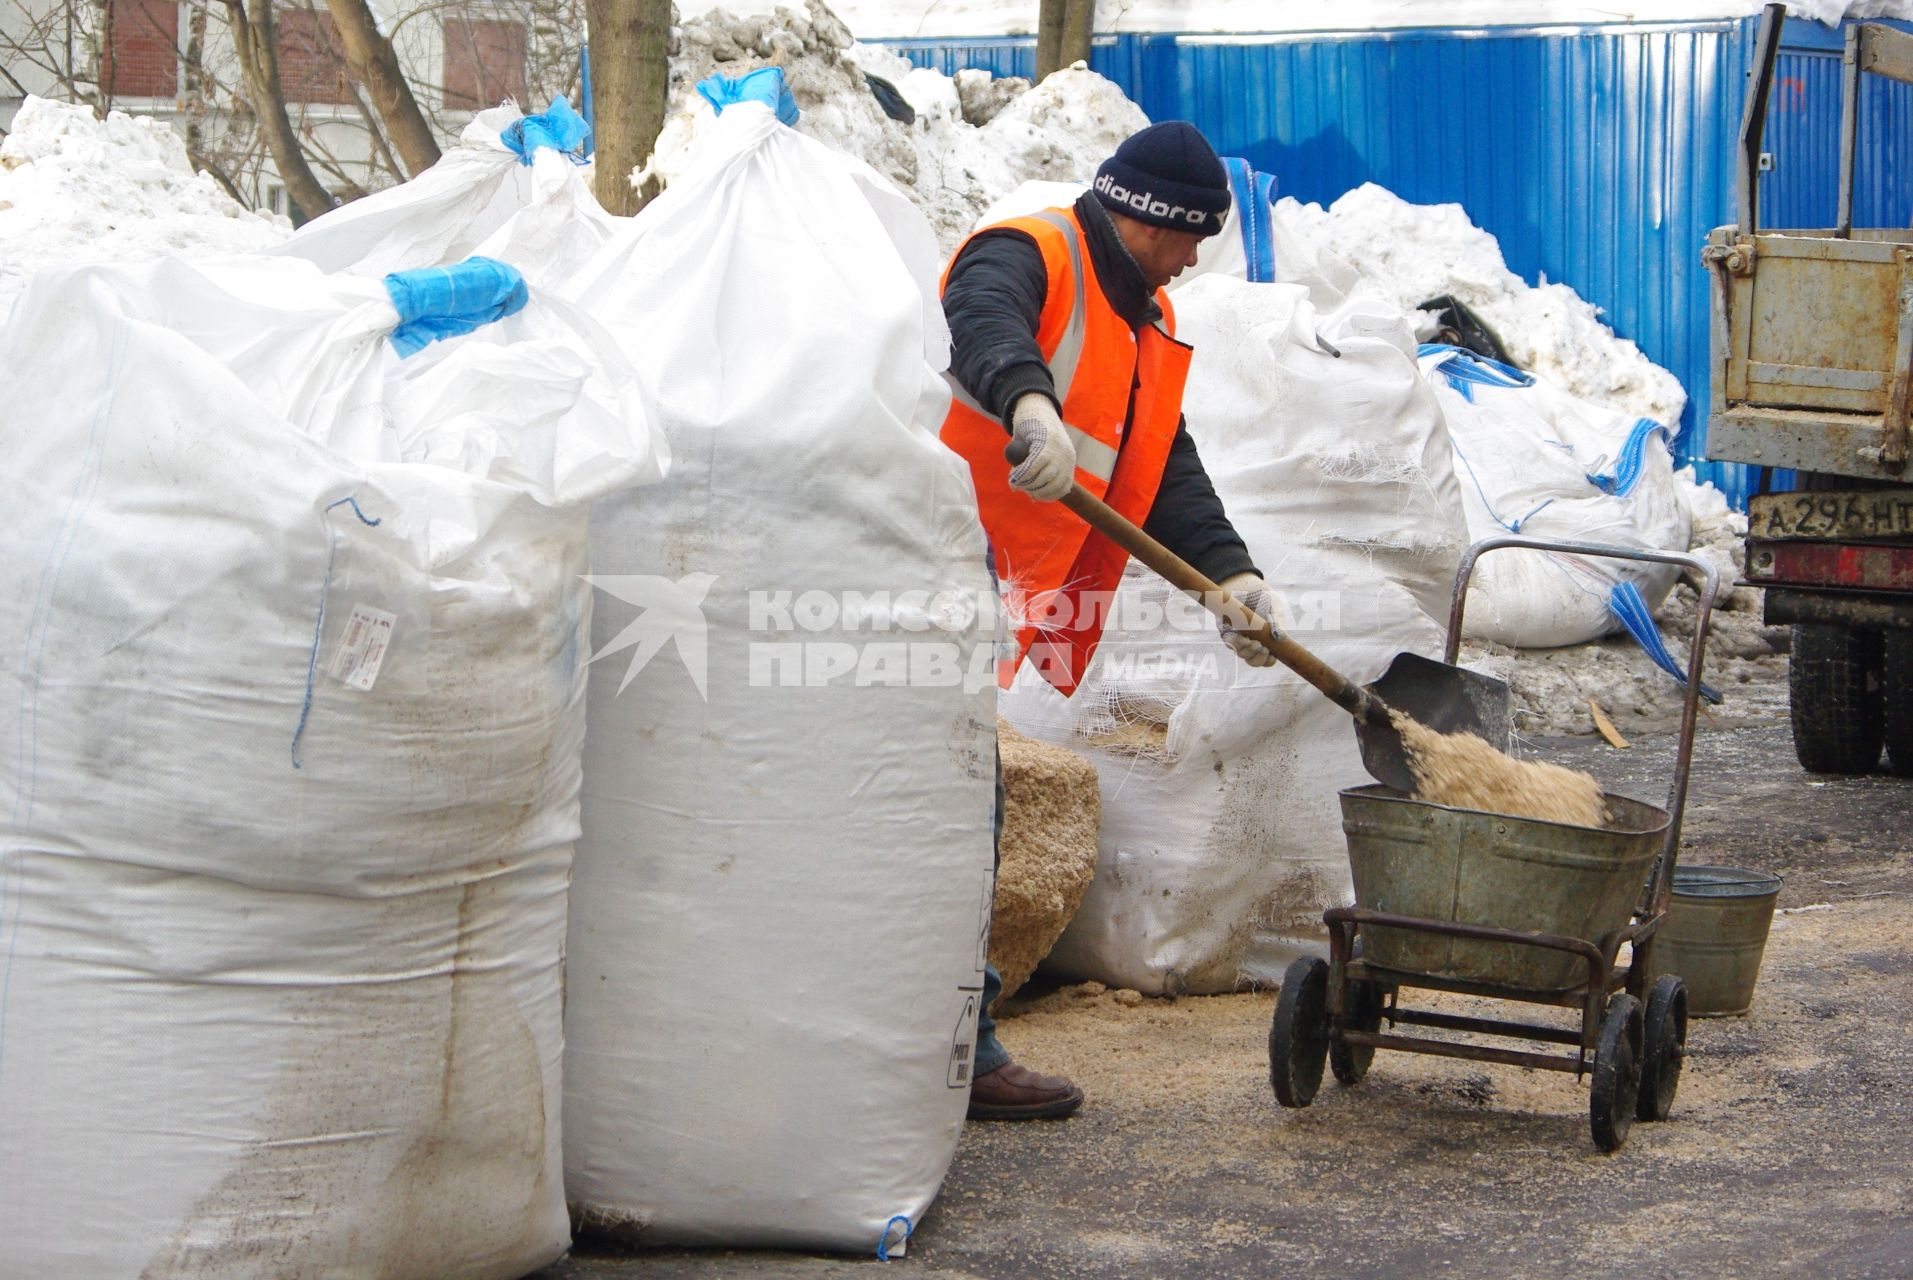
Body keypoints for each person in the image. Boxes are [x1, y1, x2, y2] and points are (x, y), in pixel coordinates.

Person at [940, 121, 1278, 1120]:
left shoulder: (1147, 321)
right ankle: (965, 1046)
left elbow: (1161, 466)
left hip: (983, 593)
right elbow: (982, 313)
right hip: (912, 558)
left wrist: (1230, 574)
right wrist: (1025, 403)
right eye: (1186, 237)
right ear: (1146, 215)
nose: (1190, 259)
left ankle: (952, 1039)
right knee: (958, 808)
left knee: (956, 805)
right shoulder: (1034, 248)